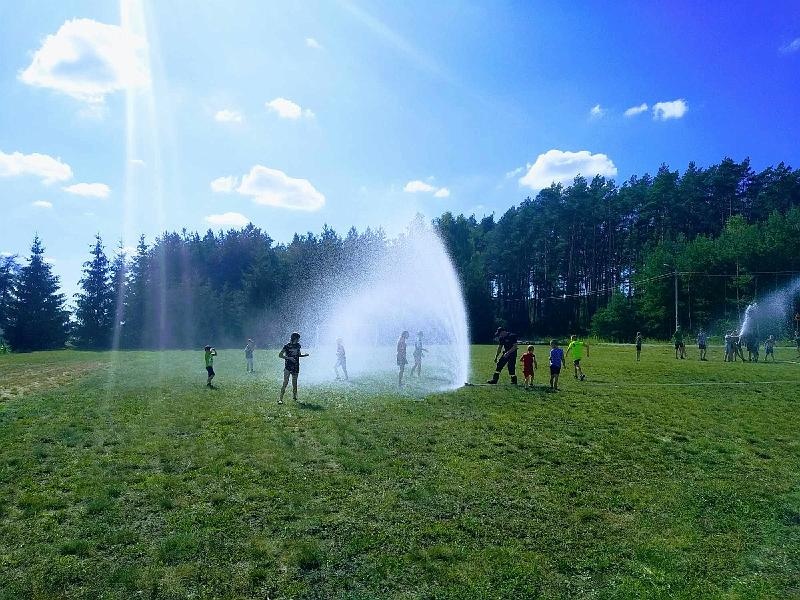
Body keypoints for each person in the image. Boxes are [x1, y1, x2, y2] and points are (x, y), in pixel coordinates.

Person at [279, 332, 309, 404]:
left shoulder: (298, 346)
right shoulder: (287, 346)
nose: (299, 340)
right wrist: (289, 358)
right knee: (285, 382)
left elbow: (298, 355)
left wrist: (305, 355)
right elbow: (280, 355)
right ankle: (280, 399)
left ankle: (294, 397)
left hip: (296, 366)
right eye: (298, 338)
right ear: (295, 338)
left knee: (294, 383)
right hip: (288, 366)